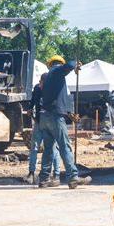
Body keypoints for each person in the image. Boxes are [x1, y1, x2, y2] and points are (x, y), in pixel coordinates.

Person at [37, 55, 89, 188]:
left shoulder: (47, 76)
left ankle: (43, 179)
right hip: (55, 117)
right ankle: (73, 177)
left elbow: (61, 96)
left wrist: (69, 113)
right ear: (59, 64)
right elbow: (68, 66)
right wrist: (75, 63)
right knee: (65, 147)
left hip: (45, 117)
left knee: (48, 149)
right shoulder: (56, 71)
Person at [25, 73, 60, 183]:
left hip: (50, 124)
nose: (40, 85)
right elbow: (34, 100)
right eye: (39, 83)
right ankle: (31, 172)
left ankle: (56, 173)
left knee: (53, 149)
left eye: (42, 83)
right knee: (34, 147)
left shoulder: (54, 90)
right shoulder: (37, 88)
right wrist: (30, 108)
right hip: (39, 122)